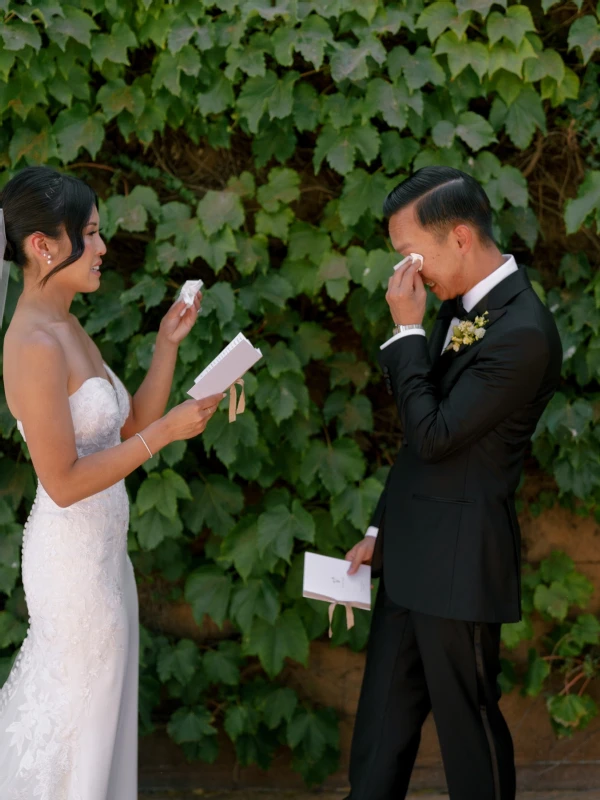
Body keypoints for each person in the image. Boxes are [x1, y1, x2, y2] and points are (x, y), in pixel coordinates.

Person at [0, 166, 224, 800]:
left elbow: (123, 427)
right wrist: (167, 435)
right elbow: (64, 481)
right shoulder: (33, 342)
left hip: (102, 557)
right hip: (71, 567)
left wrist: (166, 348)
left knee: (98, 726)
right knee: (76, 730)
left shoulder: (66, 322)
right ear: (43, 245)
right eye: (90, 235)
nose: (102, 249)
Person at [344, 166, 562, 800]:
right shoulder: (458, 309)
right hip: (410, 553)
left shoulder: (523, 332)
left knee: (470, 736)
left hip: (460, 564)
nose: (406, 275)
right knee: (380, 734)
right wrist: (380, 527)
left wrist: (407, 331)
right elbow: (422, 445)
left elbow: (435, 433)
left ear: (461, 236)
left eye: (412, 254)